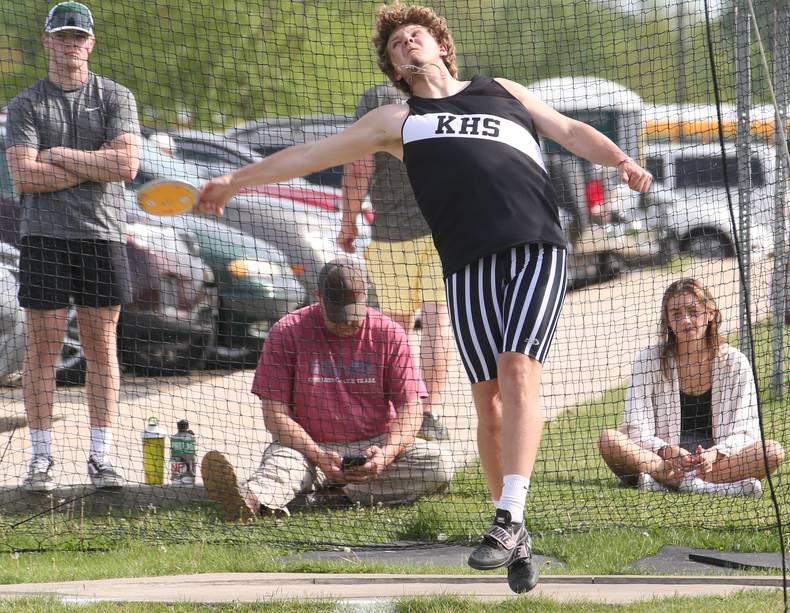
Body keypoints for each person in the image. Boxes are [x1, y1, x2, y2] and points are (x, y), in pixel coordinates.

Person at [198, 2, 652, 593]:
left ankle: (509, 517)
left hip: (535, 246)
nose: (408, 43)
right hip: (464, 265)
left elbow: (567, 131)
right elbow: (312, 155)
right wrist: (236, 179)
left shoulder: (500, 90)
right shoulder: (397, 119)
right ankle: (515, 533)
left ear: (441, 45)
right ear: (394, 67)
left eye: (417, 34)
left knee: (518, 370)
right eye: (395, 44)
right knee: (486, 400)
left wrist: (619, 159)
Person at [201, 258, 453, 520]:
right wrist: (318, 456)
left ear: (366, 295)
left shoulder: (389, 333)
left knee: (437, 462)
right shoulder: (286, 332)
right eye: (338, 317)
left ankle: (328, 498)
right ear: (318, 297)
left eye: (353, 316)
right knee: (282, 467)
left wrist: (386, 455)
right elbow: (275, 415)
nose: (346, 324)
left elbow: (411, 407)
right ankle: (250, 501)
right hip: (308, 446)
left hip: (374, 445)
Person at [5, 2, 140, 491]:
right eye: (61, 36)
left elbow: (126, 166)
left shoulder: (115, 97)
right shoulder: (26, 103)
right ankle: (40, 459)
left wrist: (57, 156)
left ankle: (101, 457)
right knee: (42, 350)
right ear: (47, 42)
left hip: (101, 234)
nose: (70, 44)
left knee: (102, 348)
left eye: (78, 37)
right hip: (44, 238)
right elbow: (23, 174)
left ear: (91, 43)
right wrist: (93, 163)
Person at [337, 80, 453, 442]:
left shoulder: (376, 97)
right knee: (437, 321)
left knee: (396, 330)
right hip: (443, 226)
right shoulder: (439, 91)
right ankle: (430, 413)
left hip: (392, 236)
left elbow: (359, 165)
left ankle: (398, 412)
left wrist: (347, 223)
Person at [598, 278, 784, 497]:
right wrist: (666, 451)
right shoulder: (647, 360)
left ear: (710, 314)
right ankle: (717, 488)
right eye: (676, 314)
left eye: (693, 311)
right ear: (667, 320)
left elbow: (746, 431)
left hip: (718, 462)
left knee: (772, 452)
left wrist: (715, 454)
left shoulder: (735, 362)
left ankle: (670, 484)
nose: (685, 320)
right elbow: (635, 428)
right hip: (664, 461)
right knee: (609, 441)